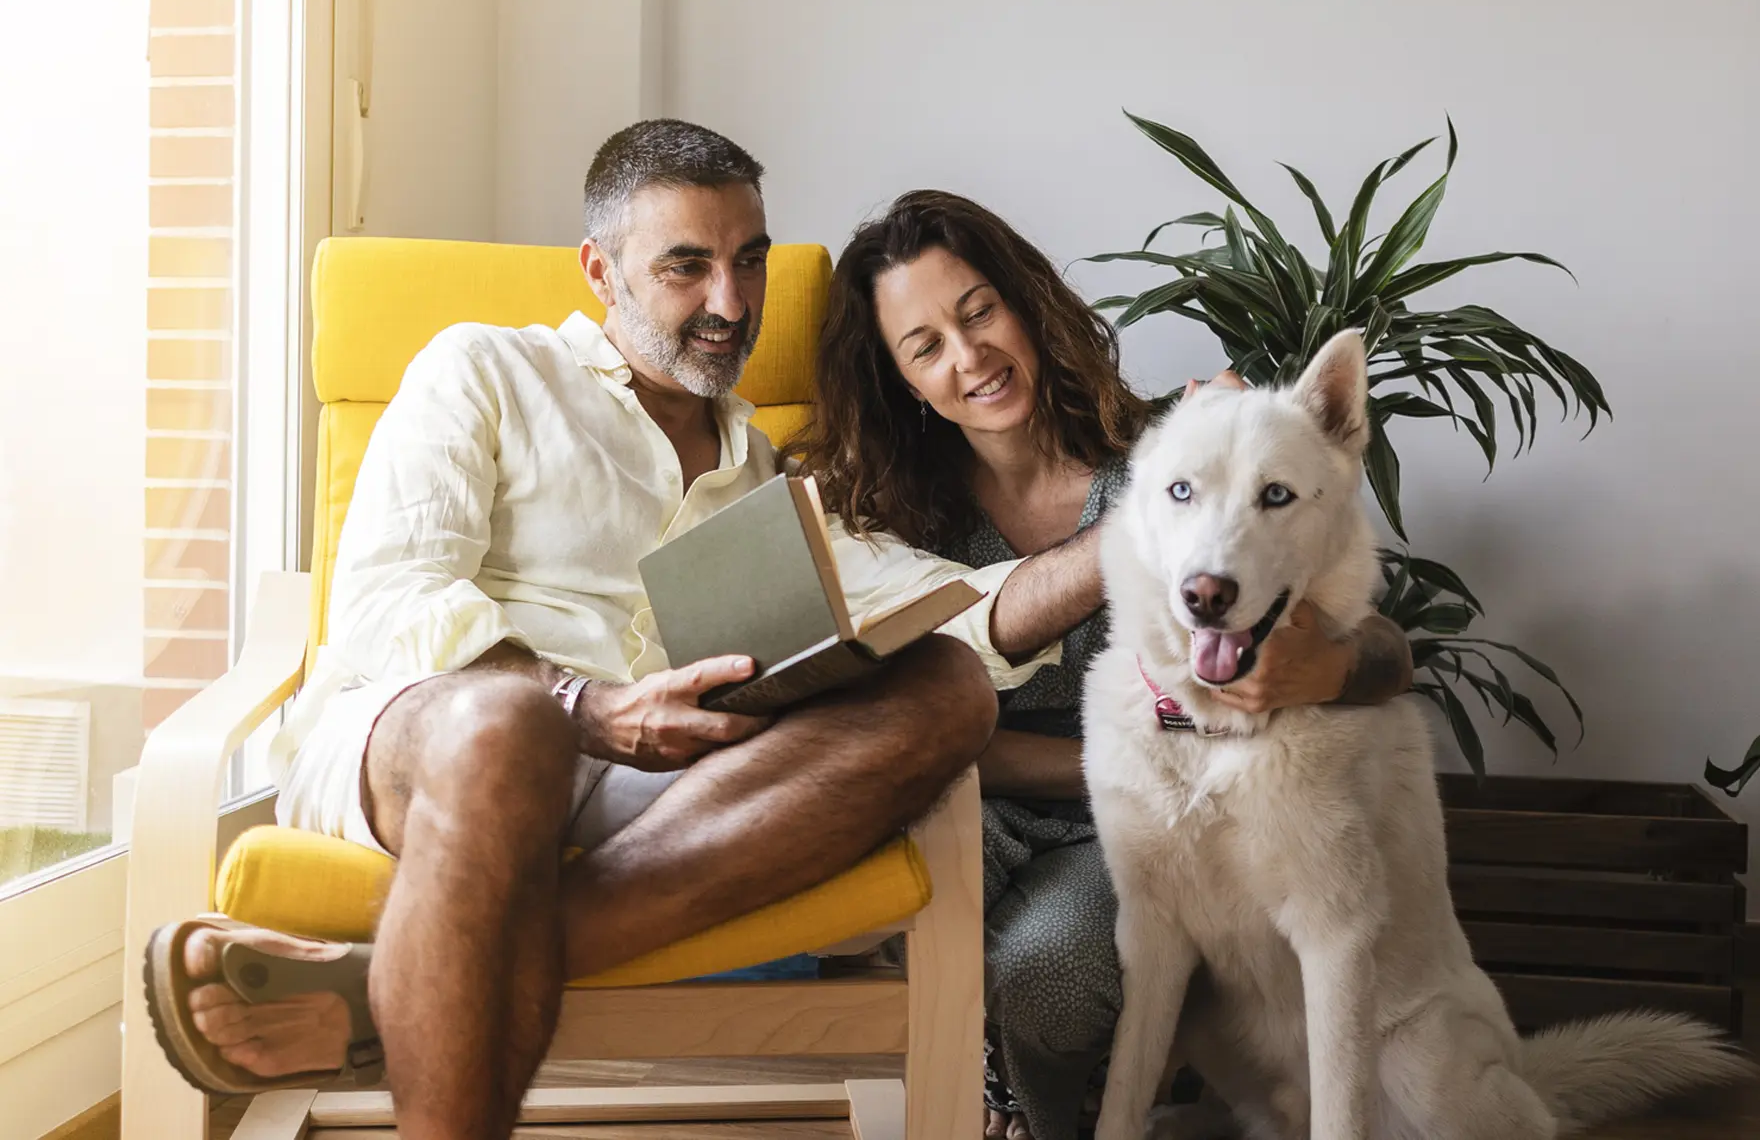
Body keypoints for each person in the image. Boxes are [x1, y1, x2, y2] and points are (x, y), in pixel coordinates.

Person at [142, 122, 1106, 1140]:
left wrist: (1143, 533)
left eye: (749, 262)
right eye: (686, 266)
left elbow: (962, 604)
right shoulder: (483, 369)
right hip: (438, 740)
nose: (729, 304)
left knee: (943, 692)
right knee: (510, 727)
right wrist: (584, 708)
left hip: (662, 797)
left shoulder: (770, 475)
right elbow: (390, 595)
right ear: (601, 269)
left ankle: (389, 985)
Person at [793, 190, 1414, 1140]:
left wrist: (1318, 675)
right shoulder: (885, 515)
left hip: (1129, 836)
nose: (970, 359)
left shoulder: (1175, 453)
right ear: (902, 382)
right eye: (925, 348)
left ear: (1027, 304)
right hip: (956, 804)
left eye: (978, 313)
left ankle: (1044, 1111)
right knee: (849, 900)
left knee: (1050, 974)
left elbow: (1384, 650)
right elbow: (893, 727)